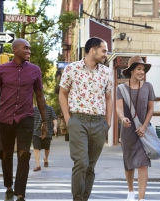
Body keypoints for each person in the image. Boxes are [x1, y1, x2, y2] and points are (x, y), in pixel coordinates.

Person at [0, 38, 47, 201]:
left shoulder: (35, 70)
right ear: (15, 50)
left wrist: (45, 120)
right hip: (5, 118)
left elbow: (39, 96)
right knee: (6, 153)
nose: (29, 51)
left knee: (24, 154)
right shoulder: (1, 70)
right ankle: (9, 187)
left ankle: (20, 194)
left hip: (26, 117)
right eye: (25, 48)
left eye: (30, 48)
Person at [59, 37, 113, 201]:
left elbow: (109, 97)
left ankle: (84, 198)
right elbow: (62, 93)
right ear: (93, 50)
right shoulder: (72, 69)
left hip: (99, 122)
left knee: (90, 166)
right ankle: (77, 198)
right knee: (81, 162)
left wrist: (108, 122)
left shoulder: (106, 72)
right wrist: (68, 118)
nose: (106, 54)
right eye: (103, 50)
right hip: (78, 120)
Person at [116, 56, 155, 201]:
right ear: (131, 71)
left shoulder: (148, 86)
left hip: (143, 132)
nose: (141, 72)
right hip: (127, 132)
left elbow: (151, 109)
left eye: (143, 70)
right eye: (139, 69)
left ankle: (141, 198)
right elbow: (119, 108)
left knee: (143, 164)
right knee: (129, 164)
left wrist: (144, 126)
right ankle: (131, 191)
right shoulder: (121, 88)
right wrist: (122, 118)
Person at [33, 104, 58, 171]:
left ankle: (46, 158)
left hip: (48, 131)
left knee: (47, 147)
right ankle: (38, 165)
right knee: (36, 148)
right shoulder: (34, 109)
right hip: (36, 131)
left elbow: (54, 118)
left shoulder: (50, 109)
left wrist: (55, 127)